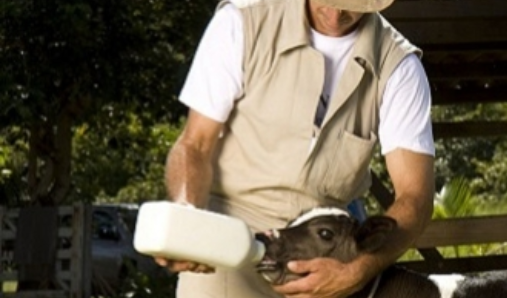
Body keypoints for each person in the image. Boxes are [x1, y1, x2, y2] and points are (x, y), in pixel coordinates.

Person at [155, 0, 435, 296]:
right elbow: (195, 145)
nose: (337, 14)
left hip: (325, 258)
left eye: (353, 5)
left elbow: (415, 196)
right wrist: (187, 219)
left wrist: (356, 271)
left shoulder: (399, 67)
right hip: (230, 243)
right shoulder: (241, 22)